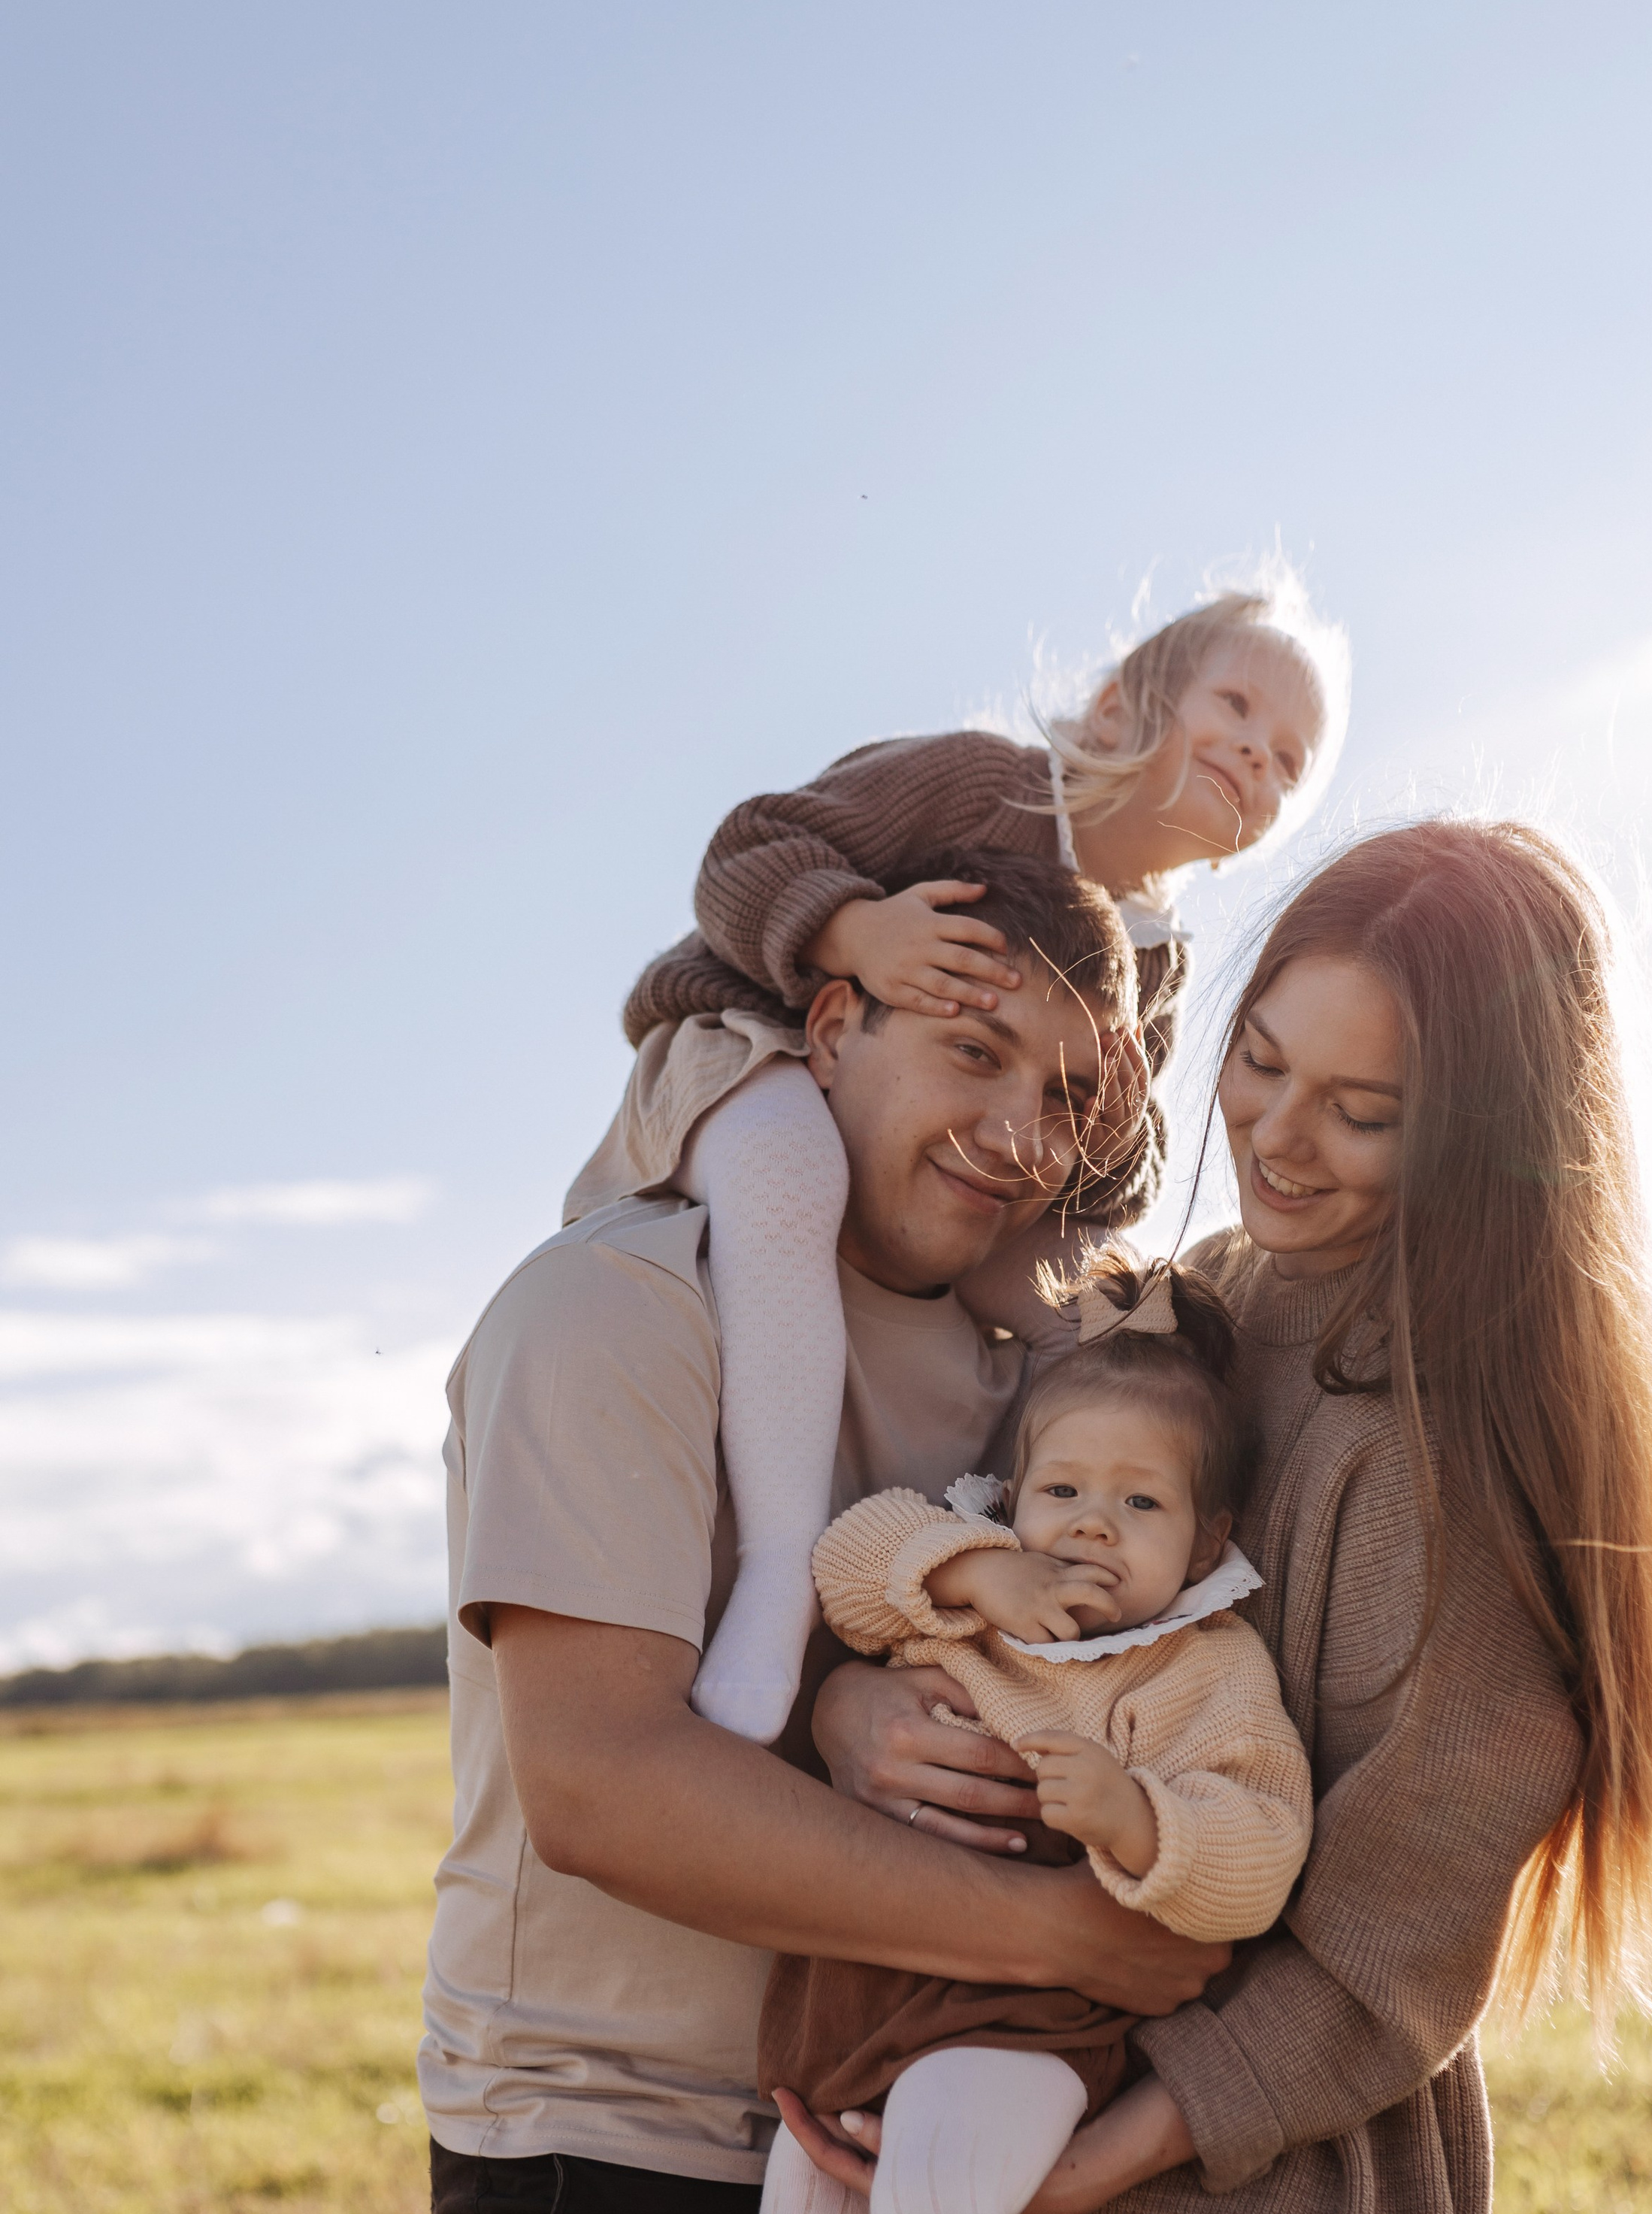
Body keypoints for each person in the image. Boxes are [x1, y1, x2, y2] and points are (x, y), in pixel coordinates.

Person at [793, 819, 1652, 2214]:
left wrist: (1116, 2147)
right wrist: (861, 1703)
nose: (1282, 1139)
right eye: (1260, 1064)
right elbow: (987, 1571)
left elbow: (1403, 1937)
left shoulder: (1449, 1442)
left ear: (1491, 1138)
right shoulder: (1190, 1316)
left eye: (1366, 1112)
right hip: (1027, 2140)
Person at [416, 854, 1234, 2214]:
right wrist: (1070, 1940)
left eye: (1068, 1091)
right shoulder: (608, 1312)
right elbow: (608, 1789)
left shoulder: (1015, 1372)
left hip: (900, 2133)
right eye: (975, 1050)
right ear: (830, 1029)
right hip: (615, 2168)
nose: (1018, 1132)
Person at [683, 1256, 1312, 2214]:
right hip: (858, 2008)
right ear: (1008, 1492)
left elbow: (1260, 1855)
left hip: (1019, 2024)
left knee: (928, 2209)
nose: (1091, 1527)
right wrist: (975, 1574)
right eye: (1060, 1494)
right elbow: (847, 1561)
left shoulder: (1194, 1668)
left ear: (1207, 1536)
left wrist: (1137, 1814)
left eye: (1142, 1504)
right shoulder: (962, 1597)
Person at [567, 577, 1350, 1744]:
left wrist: (1119, 1119)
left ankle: (1036, 1602)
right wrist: (856, 932)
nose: (1257, 754)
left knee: (1096, 1323)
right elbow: (747, 852)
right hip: (763, 1044)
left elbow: (1087, 1184)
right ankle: (785, 1569)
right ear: (1115, 702)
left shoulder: (1161, 969)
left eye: (1290, 759)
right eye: (1235, 705)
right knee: (791, 1168)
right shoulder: (984, 789)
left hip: (950, 1163)